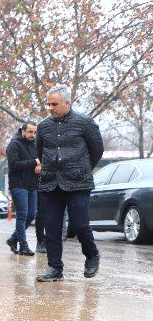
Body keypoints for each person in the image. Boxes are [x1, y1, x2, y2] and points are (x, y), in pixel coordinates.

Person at [35, 84, 103, 282]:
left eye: (54, 104)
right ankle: (55, 268)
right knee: (52, 228)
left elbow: (97, 150)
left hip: (78, 183)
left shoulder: (85, 123)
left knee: (79, 225)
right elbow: (40, 152)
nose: (51, 108)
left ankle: (91, 255)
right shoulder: (43, 126)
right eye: (48, 104)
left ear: (67, 102)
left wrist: (81, 168)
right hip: (50, 184)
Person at [6, 121, 40, 255]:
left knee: (31, 215)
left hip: (32, 184)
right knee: (22, 216)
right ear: (23, 131)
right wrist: (34, 163)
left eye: (35, 132)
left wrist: (39, 165)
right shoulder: (14, 144)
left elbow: (40, 160)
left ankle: (13, 239)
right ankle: (23, 246)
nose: (33, 135)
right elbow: (13, 164)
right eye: (30, 132)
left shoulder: (35, 145)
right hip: (18, 185)